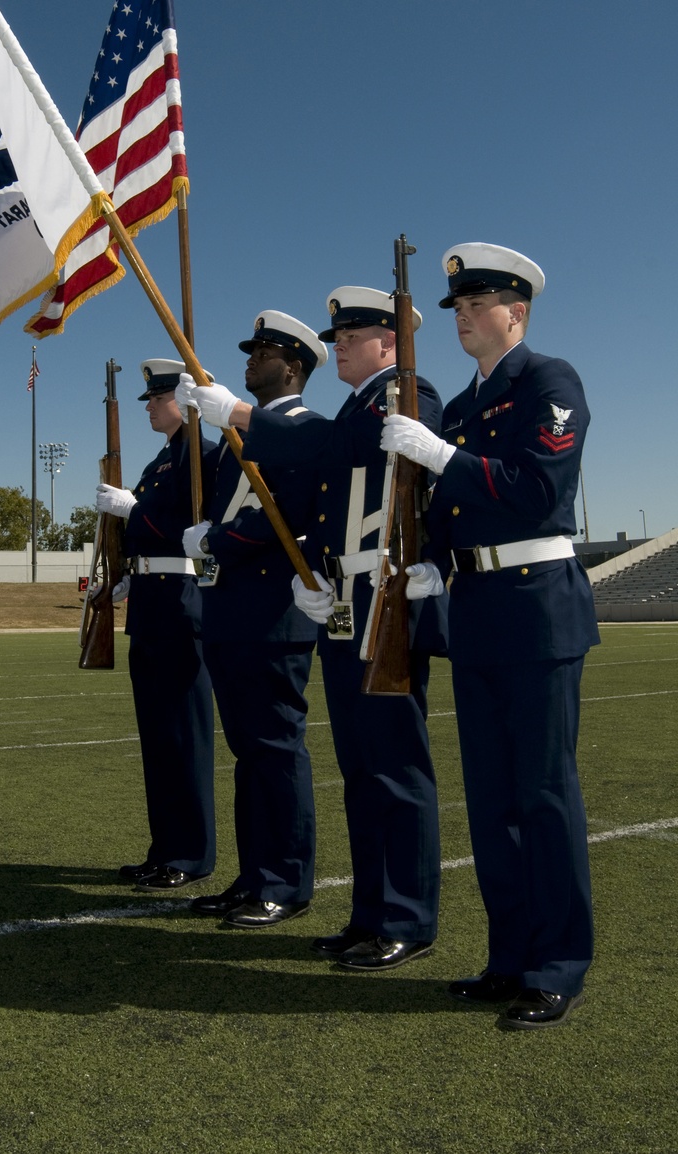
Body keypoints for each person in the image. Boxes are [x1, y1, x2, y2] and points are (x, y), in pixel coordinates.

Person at [180, 288, 444, 971]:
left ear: (389, 343)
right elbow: (330, 486)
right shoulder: (361, 404)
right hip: (343, 595)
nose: (340, 347)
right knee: (359, 769)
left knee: (394, 767)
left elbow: (337, 451)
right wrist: (318, 572)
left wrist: (238, 415)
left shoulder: (406, 393)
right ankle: (369, 914)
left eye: (352, 336)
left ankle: (407, 918)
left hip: (385, 592)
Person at [381, 243, 598, 1029]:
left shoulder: (548, 380)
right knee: (492, 803)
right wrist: (431, 561)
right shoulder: (468, 407)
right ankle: (508, 957)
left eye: (480, 305)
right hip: (475, 610)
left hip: (538, 608)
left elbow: (541, 490)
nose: (466, 318)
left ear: (519, 311)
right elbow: (446, 510)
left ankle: (558, 965)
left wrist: (443, 455)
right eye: (458, 309)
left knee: (543, 796)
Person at [179, 312, 327, 928]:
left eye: (263, 352)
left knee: (274, 746)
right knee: (248, 751)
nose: (250, 358)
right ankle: (253, 874)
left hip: (273, 612)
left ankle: (286, 882)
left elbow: (285, 513)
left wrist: (219, 541)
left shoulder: (305, 429)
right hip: (230, 607)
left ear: (291, 367)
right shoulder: (239, 435)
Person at [95, 359, 217, 890]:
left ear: (183, 400)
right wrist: (125, 574)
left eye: (156, 397)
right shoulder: (162, 462)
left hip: (181, 602)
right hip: (151, 602)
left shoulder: (203, 456)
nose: (148, 406)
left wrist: (133, 510)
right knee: (158, 738)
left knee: (183, 736)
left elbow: (189, 523)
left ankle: (190, 853)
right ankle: (165, 847)